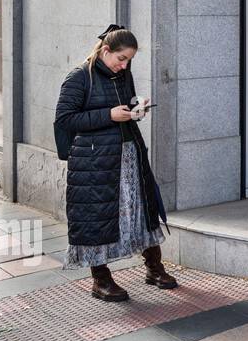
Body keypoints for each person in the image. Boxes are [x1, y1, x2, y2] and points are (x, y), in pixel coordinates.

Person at [54, 25, 175, 301]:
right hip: (95, 161)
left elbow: (124, 110)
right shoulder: (79, 77)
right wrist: (108, 115)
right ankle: (101, 280)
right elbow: (65, 120)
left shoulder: (123, 75)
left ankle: (154, 268)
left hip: (130, 155)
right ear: (105, 51)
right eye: (121, 59)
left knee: (142, 208)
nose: (124, 65)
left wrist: (136, 110)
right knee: (98, 217)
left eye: (129, 60)